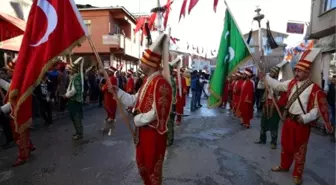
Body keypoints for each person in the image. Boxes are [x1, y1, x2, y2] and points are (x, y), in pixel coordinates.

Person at [259, 49, 333, 185]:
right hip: (288, 121)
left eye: (299, 71)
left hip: (301, 124)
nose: (296, 73)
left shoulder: (315, 89)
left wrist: (305, 118)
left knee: (299, 150)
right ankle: (284, 166)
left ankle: (297, 174)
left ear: (307, 73)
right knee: (286, 146)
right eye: (296, 70)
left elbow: (317, 110)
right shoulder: (291, 83)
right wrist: (266, 77)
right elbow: (278, 85)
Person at [110, 33, 173, 185]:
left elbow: (158, 113)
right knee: (143, 167)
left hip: (153, 134)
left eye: (142, 61)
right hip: (143, 133)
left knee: (152, 171)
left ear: (150, 64)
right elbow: (134, 100)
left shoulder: (160, 83)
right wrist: (118, 91)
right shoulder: (147, 81)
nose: (140, 64)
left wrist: (138, 119)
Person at [0, 59, 36, 167]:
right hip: (20, 114)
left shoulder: (19, 84)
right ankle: (29, 146)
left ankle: (23, 156)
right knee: (23, 134)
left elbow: (14, 101)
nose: (7, 72)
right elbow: (9, 88)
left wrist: (2, 109)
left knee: (19, 137)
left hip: (18, 114)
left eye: (9, 71)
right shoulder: (19, 82)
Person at [255, 66, 284, 149]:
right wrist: (262, 79)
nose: (271, 74)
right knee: (263, 123)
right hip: (266, 105)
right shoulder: (266, 82)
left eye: (273, 73)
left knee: (274, 125)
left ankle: (273, 142)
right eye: (270, 72)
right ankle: (262, 139)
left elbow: (280, 97)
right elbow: (259, 87)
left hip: (274, 107)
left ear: (276, 74)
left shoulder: (278, 84)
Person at [63, 57, 85, 140]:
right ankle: (78, 132)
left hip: (75, 101)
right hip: (73, 101)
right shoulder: (74, 78)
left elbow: (73, 91)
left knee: (76, 118)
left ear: (74, 70)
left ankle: (79, 134)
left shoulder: (76, 78)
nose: (69, 71)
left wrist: (66, 95)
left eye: (70, 69)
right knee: (74, 118)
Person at [101, 66, 118, 131]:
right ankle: (110, 116)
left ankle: (111, 117)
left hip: (110, 95)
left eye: (109, 71)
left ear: (112, 72)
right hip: (107, 95)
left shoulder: (112, 78)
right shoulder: (111, 78)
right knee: (108, 106)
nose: (108, 72)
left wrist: (103, 88)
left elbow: (106, 86)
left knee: (110, 106)